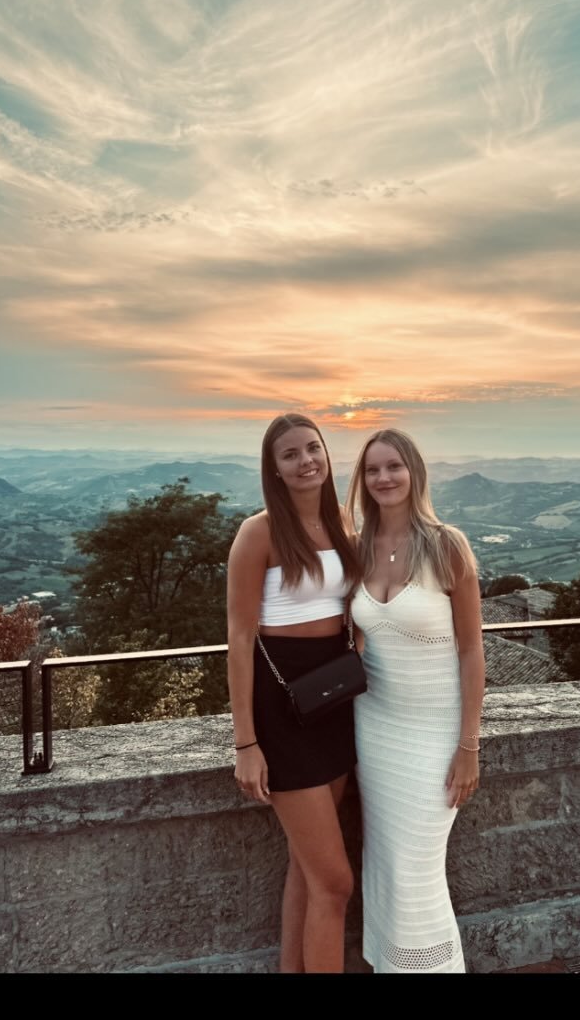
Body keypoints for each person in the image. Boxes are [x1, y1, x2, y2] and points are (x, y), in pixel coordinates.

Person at [226, 413, 365, 973]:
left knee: (308, 873)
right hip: (282, 708)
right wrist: (246, 744)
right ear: (275, 470)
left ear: (327, 454)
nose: (306, 460)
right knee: (335, 882)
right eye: (290, 454)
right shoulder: (258, 533)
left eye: (313, 448)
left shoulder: (344, 524)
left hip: (333, 700)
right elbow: (239, 638)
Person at [345, 429, 485, 974]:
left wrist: (468, 746)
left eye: (394, 466)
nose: (384, 477)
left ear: (415, 472)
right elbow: (353, 640)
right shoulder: (357, 549)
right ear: (363, 480)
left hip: (434, 734)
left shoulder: (447, 546)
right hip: (374, 728)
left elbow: (471, 651)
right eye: (373, 469)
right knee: (384, 863)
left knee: (417, 866)